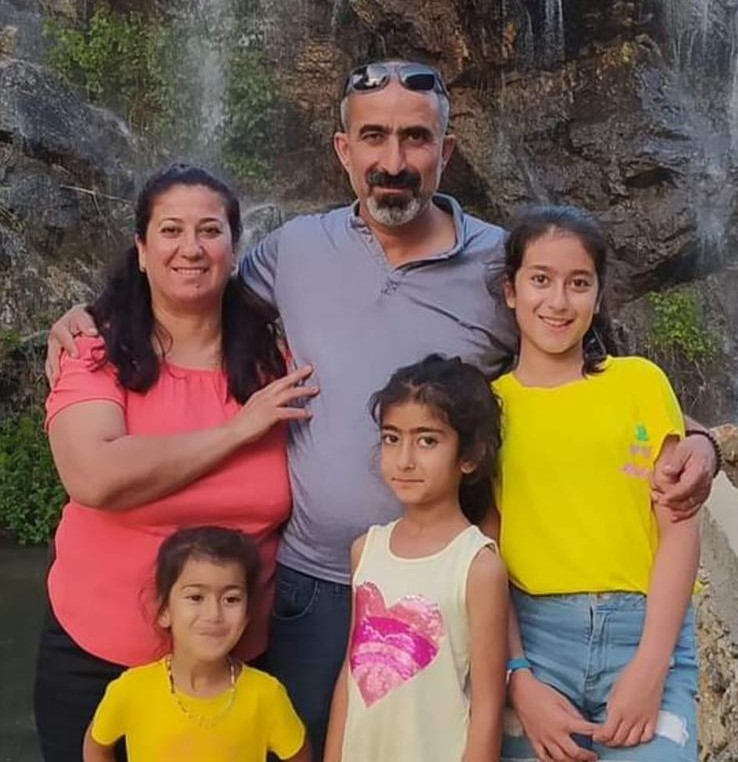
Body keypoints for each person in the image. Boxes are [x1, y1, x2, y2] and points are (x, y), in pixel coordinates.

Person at [44, 60, 718, 756]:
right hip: (310, 587)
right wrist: (91, 314)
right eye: (373, 137)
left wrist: (696, 440)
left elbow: (588, 369)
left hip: (445, 583)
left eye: (415, 138)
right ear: (344, 149)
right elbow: (188, 283)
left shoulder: (502, 266)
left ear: (446, 149)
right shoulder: (295, 250)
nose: (393, 161)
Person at [34, 164, 317, 762]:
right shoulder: (94, 349)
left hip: (238, 668)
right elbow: (94, 477)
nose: (191, 248)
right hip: (98, 662)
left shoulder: (278, 363)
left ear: (234, 250)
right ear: (141, 250)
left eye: (210, 230)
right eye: (170, 230)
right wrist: (236, 431)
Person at [493, 205, 699, 762]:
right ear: (511, 290)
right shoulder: (489, 407)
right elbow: (484, 552)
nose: (559, 302)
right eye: (541, 280)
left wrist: (651, 667)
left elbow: (680, 528)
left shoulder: (639, 383)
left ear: (599, 295)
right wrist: (517, 677)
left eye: (579, 283)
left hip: (645, 632)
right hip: (535, 644)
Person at [323, 355, 508, 762]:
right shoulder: (366, 550)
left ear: (470, 455)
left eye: (427, 441)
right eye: (392, 438)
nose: (404, 460)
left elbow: (488, 709)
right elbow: (351, 673)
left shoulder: (476, 566)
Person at [83, 526, 310, 762]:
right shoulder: (131, 690)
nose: (214, 614)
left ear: (247, 614)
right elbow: (96, 745)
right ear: (165, 610)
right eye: (196, 597)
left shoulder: (266, 695)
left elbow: (299, 756)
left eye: (231, 599)